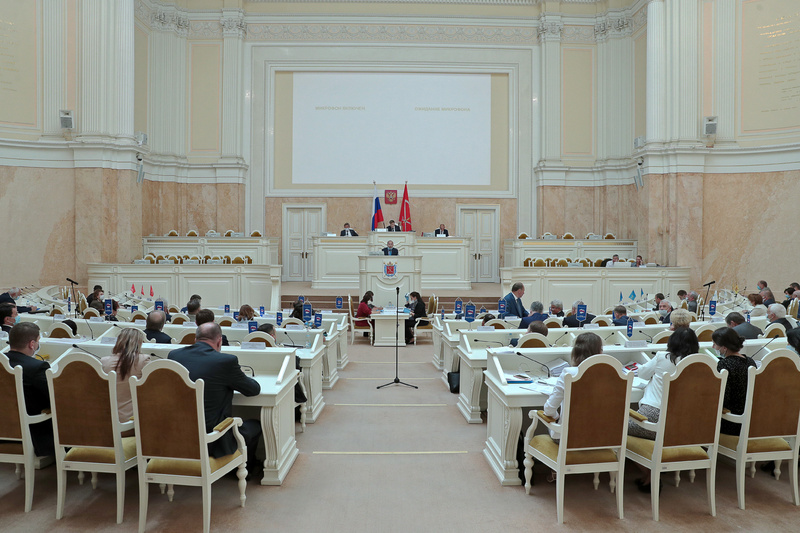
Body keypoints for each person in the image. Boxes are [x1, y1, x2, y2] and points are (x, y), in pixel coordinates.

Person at [169, 323, 262, 474]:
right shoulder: (226, 361)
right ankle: (238, 469)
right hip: (212, 440)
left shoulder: (174, 356)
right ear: (219, 341)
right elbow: (253, 390)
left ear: (195, 339)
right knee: (255, 425)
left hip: (179, 436)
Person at [628, 328, 699, 492]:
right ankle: (648, 478)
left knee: (619, 429)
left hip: (653, 419)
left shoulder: (663, 357)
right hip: (680, 425)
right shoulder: (697, 363)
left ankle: (652, 473)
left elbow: (642, 374)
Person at [542, 332, 603, 442]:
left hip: (568, 439)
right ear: (600, 352)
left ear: (575, 352)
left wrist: (556, 417)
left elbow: (549, 410)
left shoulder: (568, 373)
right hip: (601, 438)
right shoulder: (611, 374)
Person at [4, 322, 53, 456]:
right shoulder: (37, 367)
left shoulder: (3, 364)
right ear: (32, 344)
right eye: (38, 341)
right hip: (34, 434)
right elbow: (52, 399)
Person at [101, 328, 150, 436]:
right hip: (133, 423)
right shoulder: (144, 360)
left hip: (109, 423)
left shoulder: (104, 362)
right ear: (139, 343)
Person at [713, 327, 756, 436]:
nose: (713, 347)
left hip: (732, 421)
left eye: (715, 344)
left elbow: (724, 399)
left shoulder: (724, 364)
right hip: (751, 418)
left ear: (724, 348)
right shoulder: (750, 361)